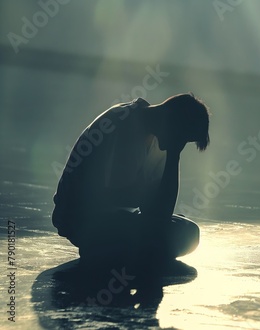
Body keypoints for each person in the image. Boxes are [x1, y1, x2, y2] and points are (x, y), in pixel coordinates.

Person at [52, 93, 210, 266]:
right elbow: (120, 196)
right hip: (83, 219)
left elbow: (159, 213)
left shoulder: (160, 139)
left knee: (190, 233)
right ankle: (102, 246)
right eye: (182, 138)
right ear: (174, 123)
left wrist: (173, 155)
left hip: (120, 217)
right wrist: (172, 159)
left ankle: (113, 248)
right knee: (164, 237)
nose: (180, 144)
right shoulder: (125, 126)